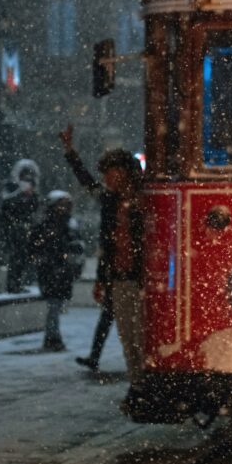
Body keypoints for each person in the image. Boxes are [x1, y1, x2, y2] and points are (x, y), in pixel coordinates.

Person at [59, 126, 145, 397]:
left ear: (124, 173)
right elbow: (87, 183)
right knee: (128, 336)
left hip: (142, 278)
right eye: (106, 174)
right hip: (119, 277)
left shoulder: (147, 199)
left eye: (111, 172)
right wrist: (70, 153)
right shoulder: (110, 201)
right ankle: (138, 384)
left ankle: (145, 382)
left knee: (141, 335)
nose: (107, 179)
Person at [30, 190, 85, 352]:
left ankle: (52, 336)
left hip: (62, 271)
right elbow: (37, 247)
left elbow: (76, 246)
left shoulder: (67, 224)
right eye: (61, 205)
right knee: (54, 305)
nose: (64, 209)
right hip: (52, 271)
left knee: (56, 305)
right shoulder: (49, 225)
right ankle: (52, 337)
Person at [0, 159, 41, 292]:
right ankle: (13, 286)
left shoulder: (33, 193)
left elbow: (35, 209)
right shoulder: (10, 188)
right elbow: (5, 205)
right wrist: (20, 193)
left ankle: (21, 284)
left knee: (24, 259)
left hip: (26, 233)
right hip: (13, 232)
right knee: (16, 259)